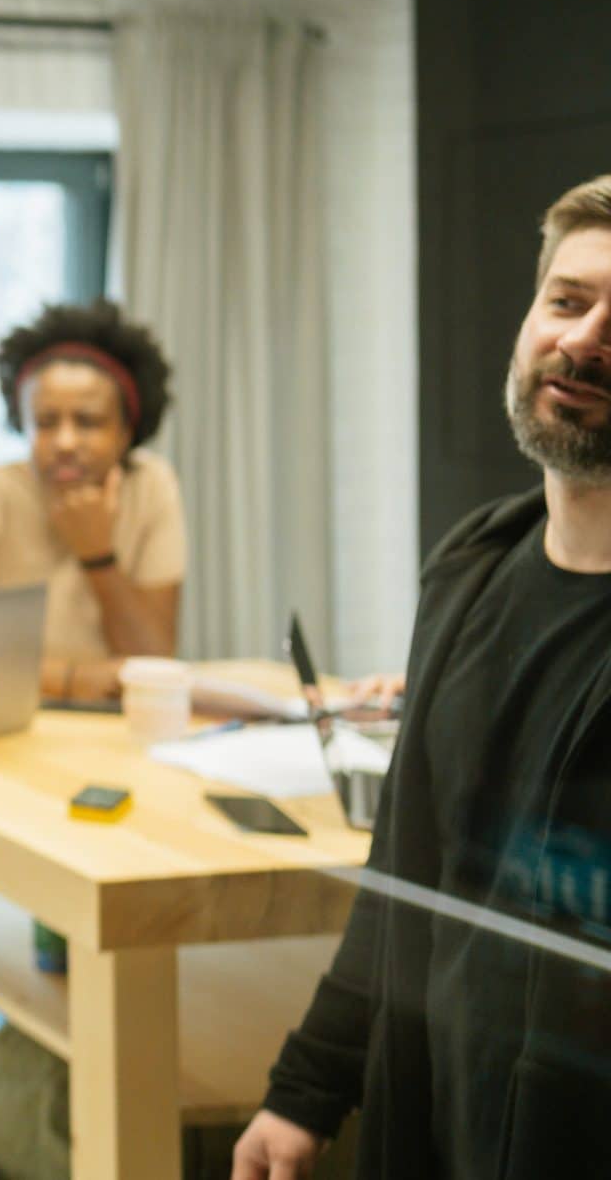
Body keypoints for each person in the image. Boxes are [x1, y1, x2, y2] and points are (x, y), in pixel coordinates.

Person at [235, 175, 611, 1180]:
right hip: (437, 1112)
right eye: (567, 302)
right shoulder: (473, 568)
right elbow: (405, 867)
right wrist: (307, 1089)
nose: (582, 342)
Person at [0, 300, 186, 703]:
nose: (65, 443)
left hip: (109, 728)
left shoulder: (152, 487)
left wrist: (99, 556)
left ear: (127, 431)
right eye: (46, 423)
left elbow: (154, 661)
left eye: (87, 422)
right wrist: (67, 679)